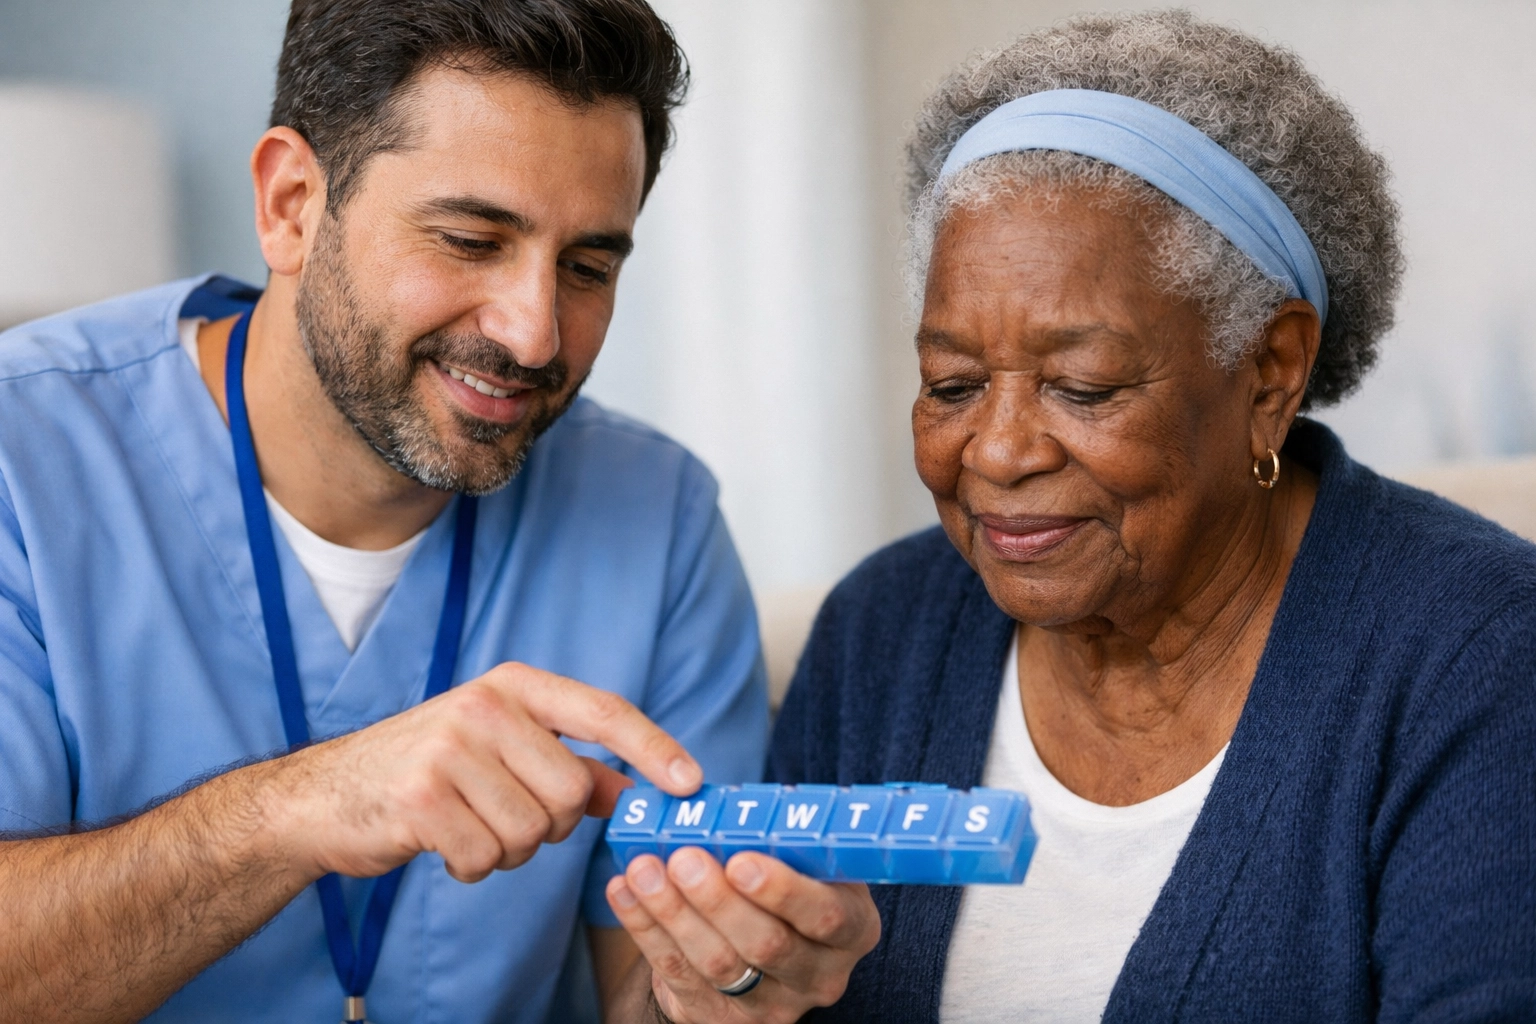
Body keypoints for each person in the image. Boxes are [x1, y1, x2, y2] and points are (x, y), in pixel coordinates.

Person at [0, 2, 876, 1022]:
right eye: (470, 239)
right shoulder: (25, 461)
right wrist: (299, 805)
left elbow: (643, 985)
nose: (536, 334)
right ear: (290, 203)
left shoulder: (659, 518)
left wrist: (726, 979)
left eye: (589, 266)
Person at [770, 10, 1536, 1022]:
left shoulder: (1477, 654)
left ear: (1269, 373)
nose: (998, 451)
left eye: (1081, 386)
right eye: (952, 384)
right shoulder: (881, 634)